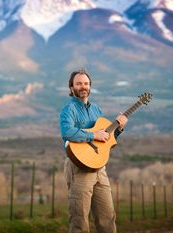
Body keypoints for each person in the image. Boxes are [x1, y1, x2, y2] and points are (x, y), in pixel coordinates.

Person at [59, 69, 128, 233]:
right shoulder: (68, 110)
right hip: (79, 168)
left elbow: (105, 140)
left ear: (90, 87)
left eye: (86, 83)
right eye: (79, 83)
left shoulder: (97, 110)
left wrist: (119, 129)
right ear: (71, 88)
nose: (83, 86)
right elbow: (67, 132)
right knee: (80, 222)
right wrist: (92, 135)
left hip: (99, 168)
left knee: (108, 219)